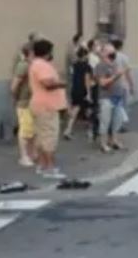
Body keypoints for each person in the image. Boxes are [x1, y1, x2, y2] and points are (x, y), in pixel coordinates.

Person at [28, 39, 68, 180]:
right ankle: (50, 168)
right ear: (48, 52)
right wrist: (61, 83)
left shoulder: (36, 64)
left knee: (41, 136)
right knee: (49, 137)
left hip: (41, 105)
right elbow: (47, 83)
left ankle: (42, 164)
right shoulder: (42, 65)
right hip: (47, 106)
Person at [94, 44, 130, 152]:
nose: (113, 54)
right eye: (110, 52)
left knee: (117, 121)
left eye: (113, 52)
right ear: (104, 53)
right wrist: (116, 76)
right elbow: (102, 83)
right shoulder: (100, 66)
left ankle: (114, 141)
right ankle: (103, 143)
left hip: (117, 97)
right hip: (106, 98)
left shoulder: (114, 65)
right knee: (105, 122)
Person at [10, 44, 37, 167]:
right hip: (24, 102)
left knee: (32, 130)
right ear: (30, 53)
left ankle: (31, 153)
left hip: (33, 102)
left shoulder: (32, 65)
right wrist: (16, 98)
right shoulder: (23, 65)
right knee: (25, 131)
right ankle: (24, 156)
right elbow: (14, 86)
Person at [64, 47, 94, 140]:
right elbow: (87, 80)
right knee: (89, 109)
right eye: (87, 54)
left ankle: (68, 130)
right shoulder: (87, 66)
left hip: (75, 89)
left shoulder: (74, 65)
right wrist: (88, 93)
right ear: (85, 55)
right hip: (83, 90)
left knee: (76, 109)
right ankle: (91, 131)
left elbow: (72, 77)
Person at [111, 38, 134, 131]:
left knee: (114, 105)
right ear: (120, 47)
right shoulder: (124, 57)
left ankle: (113, 124)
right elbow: (128, 73)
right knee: (122, 105)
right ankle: (119, 126)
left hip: (112, 84)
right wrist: (131, 85)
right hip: (122, 84)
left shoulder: (109, 57)